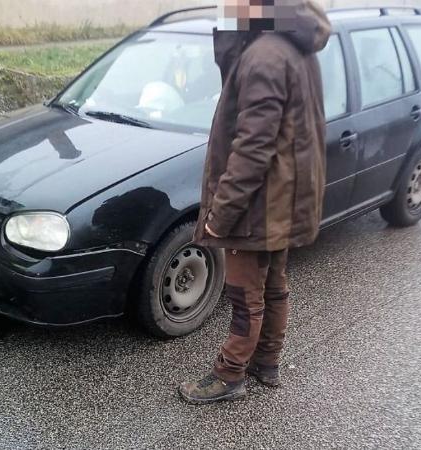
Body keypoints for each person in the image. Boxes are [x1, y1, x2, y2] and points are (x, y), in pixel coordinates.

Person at [179, 0, 331, 404]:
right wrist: (233, 31)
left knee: (245, 295)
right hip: (283, 199)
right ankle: (267, 364)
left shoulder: (264, 55)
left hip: (257, 205)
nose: (225, 7)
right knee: (275, 285)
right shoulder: (292, 45)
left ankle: (229, 375)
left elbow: (252, 150)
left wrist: (220, 216)